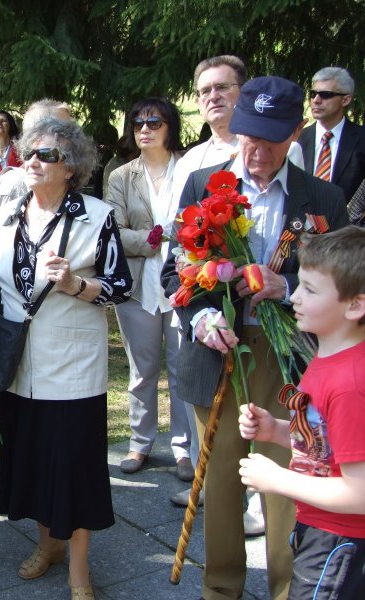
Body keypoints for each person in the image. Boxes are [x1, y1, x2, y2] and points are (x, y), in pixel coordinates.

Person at [162, 75, 349, 600]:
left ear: (296, 133)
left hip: (289, 355)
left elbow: (343, 283)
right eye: (249, 137)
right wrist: (201, 318)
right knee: (220, 478)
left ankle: (290, 589)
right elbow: (175, 272)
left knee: (290, 473)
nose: (258, 151)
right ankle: (221, 588)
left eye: (271, 139)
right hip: (217, 349)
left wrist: (288, 285)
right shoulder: (204, 184)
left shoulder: (323, 198)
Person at [0, 116, 132, 599]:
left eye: (49, 156)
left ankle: (79, 569)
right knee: (31, 459)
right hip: (15, 364)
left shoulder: (97, 216)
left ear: (72, 168)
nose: (35, 161)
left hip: (73, 366)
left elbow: (121, 286)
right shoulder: (5, 217)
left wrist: (75, 285)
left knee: (73, 466)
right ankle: (49, 545)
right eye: (31, 153)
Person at [238, 225, 365, 600]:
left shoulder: (350, 382)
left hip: (339, 538)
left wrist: (278, 480)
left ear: (355, 305)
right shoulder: (327, 358)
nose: (295, 296)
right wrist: (277, 430)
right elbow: (326, 440)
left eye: (310, 290)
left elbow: (360, 492)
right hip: (318, 528)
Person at [105, 98, 193, 480]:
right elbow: (115, 232)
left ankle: (184, 448)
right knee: (142, 370)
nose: (145, 129)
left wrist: (182, 241)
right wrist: (155, 239)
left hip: (187, 284)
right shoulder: (120, 176)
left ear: (169, 127)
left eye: (153, 122)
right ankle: (140, 444)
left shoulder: (191, 169)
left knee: (181, 368)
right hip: (139, 286)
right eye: (138, 122)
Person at [0, 99, 71, 295]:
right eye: (63, 130)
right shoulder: (7, 181)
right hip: (7, 296)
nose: (71, 138)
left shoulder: (70, 183)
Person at [298, 67, 365, 202]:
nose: (316, 100)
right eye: (313, 94)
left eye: (325, 94)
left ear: (345, 100)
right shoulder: (297, 138)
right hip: (299, 221)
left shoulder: (361, 139)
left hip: (347, 221)